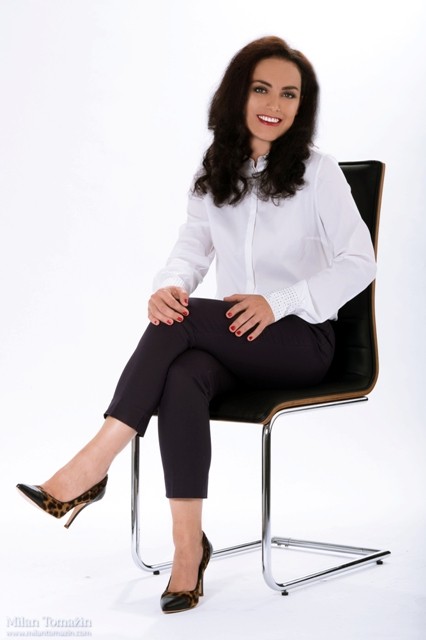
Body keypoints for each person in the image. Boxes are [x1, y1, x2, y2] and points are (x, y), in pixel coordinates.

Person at [17, 35, 377, 613]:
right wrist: (170, 286)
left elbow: (360, 262)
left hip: (301, 342)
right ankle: (188, 551)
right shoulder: (215, 170)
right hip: (236, 343)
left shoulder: (320, 172)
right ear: (238, 94)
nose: (275, 104)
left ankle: (93, 463)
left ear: (301, 106)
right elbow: (191, 248)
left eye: (289, 94)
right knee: (182, 372)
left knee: (182, 327)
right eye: (262, 89)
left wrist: (279, 302)